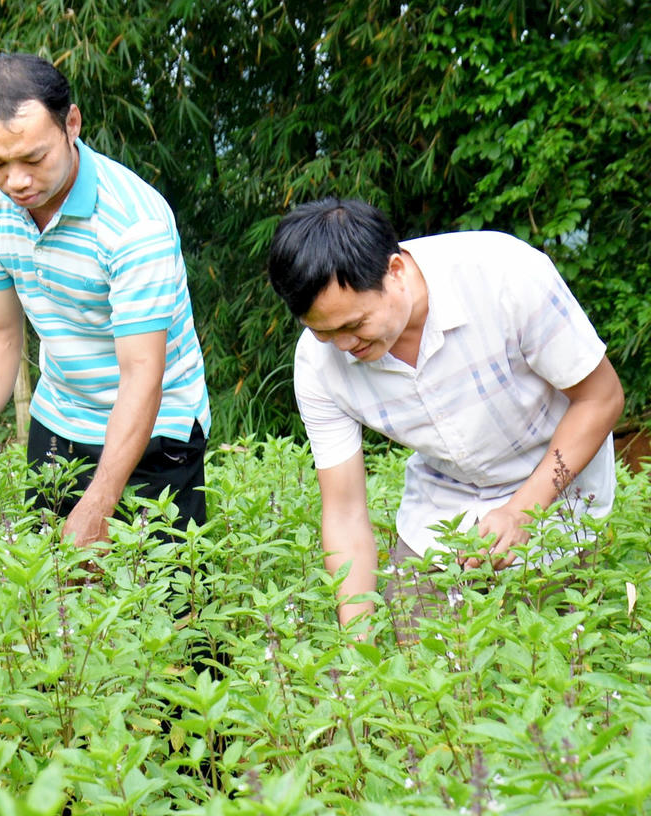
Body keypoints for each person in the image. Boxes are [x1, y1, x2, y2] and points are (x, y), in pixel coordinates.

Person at [267, 198, 624, 633]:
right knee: (422, 669)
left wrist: (521, 513)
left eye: (354, 325)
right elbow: (344, 514)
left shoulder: (504, 275)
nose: (344, 346)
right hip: (444, 508)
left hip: (560, 491)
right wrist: (356, 650)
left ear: (395, 271)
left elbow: (601, 398)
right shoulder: (318, 365)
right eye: (323, 331)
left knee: (556, 665)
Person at [0, 53, 212, 545]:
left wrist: (100, 501)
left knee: (168, 609)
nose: (16, 181)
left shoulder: (133, 223)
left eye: (34, 158)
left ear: (72, 124)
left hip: (157, 426)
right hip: (61, 416)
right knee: (55, 594)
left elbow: (142, 376)